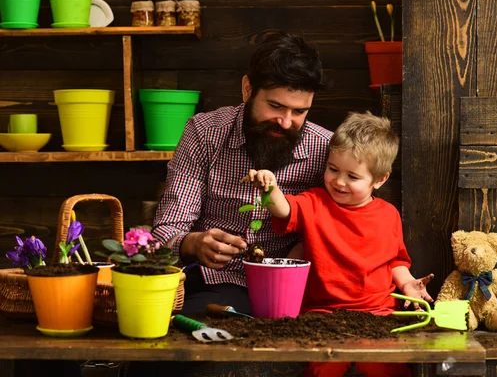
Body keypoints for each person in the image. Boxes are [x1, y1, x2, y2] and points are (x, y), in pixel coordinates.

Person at [125, 31, 332, 377]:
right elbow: (166, 232)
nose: (286, 122)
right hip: (212, 285)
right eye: (276, 106)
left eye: (300, 112)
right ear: (248, 89)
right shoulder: (205, 133)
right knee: (163, 358)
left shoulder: (324, 149)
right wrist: (193, 243)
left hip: (289, 294)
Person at [243, 111, 435, 377]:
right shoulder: (315, 201)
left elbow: (394, 261)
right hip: (323, 313)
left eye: (353, 177)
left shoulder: (388, 215)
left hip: (378, 312)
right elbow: (284, 209)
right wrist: (269, 187)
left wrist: (408, 284)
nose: (339, 181)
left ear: (380, 180)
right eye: (333, 169)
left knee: (384, 367)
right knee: (324, 368)